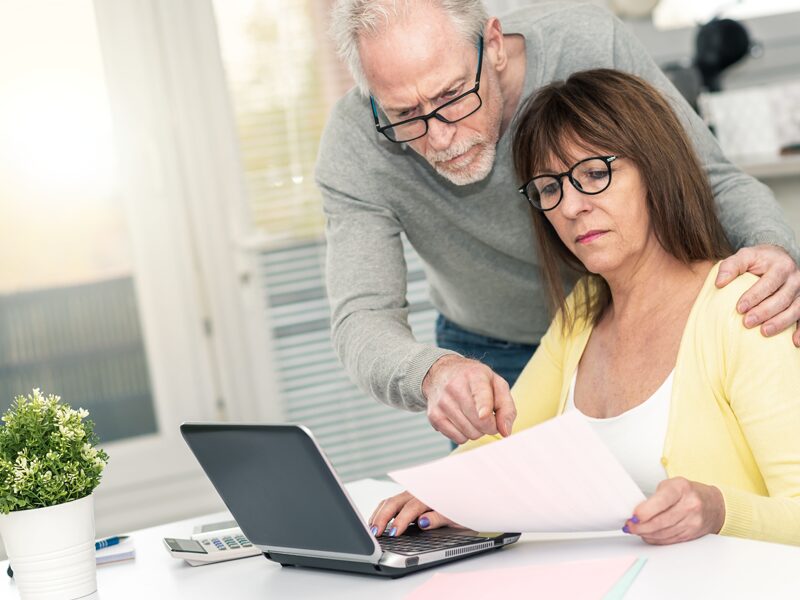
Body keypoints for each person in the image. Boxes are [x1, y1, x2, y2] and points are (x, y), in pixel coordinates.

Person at [317, 0, 800, 445]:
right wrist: (433, 373)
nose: (440, 138)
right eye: (405, 114)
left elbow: (708, 177)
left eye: (453, 95)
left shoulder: (586, 43)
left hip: (631, 325)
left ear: (493, 44)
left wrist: (772, 250)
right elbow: (363, 316)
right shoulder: (356, 143)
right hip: (488, 354)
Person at [368, 69, 800, 546]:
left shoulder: (746, 308)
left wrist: (718, 511)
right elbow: (502, 438)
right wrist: (443, 490)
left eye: (594, 173)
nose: (570, 207)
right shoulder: (584, 310)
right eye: (550, 189)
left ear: (658, 170)